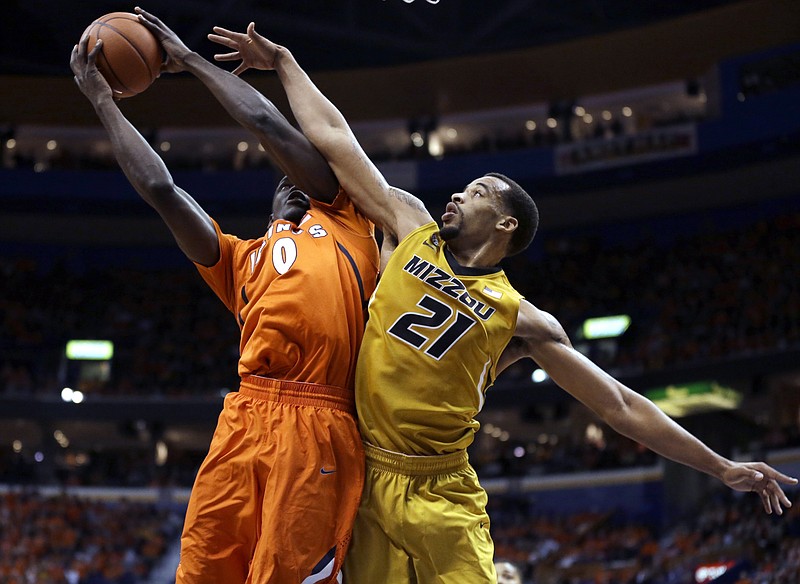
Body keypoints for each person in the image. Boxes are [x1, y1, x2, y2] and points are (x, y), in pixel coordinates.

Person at [213, 25, 800, 584]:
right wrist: (285, 64)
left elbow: (619, 404)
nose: (456, 194)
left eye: (476, 192)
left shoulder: (522, 319)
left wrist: (722, 468)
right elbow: (339, 141)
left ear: (505, 222)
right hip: (366, 474)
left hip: (441, 489)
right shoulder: (411, 226)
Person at [71, 9, 379, 584]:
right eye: (282, 174)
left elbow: (266, 122)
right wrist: (102, 103)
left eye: (300, 168)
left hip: (319, 422)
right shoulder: (240, 260)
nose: (290, 172)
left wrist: (186, 59)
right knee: (202, 573)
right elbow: (162, 190)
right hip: (243, 419)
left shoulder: (347, 217)